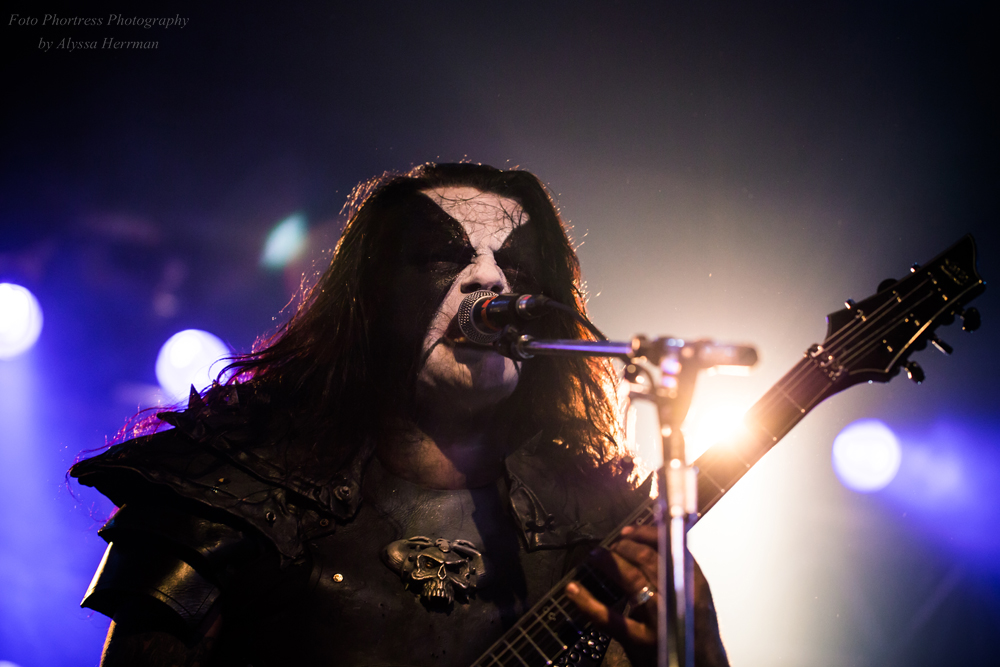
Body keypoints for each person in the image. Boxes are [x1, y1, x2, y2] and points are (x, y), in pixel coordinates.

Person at [71, 162, 729, 666]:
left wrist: (693, 651)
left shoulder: (594, 529)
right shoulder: (226, 486)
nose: (490, 280)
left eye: (515, 266)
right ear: (373, 298)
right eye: (446, 257)